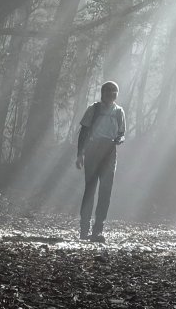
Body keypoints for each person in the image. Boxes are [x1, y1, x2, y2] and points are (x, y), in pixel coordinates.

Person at [76, 80, 126, 242]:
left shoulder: (119, 112)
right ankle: (84, 229)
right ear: (102, 93)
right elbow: (83, 132)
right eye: (108, 91)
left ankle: (98, 230)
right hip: (93, 149)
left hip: (110, 151)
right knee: (90, 189)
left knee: (106, 191)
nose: (111, 94)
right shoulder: (94, 109)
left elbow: (121, 133)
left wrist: (120, 139)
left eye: (114, 92)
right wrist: (79, 154)